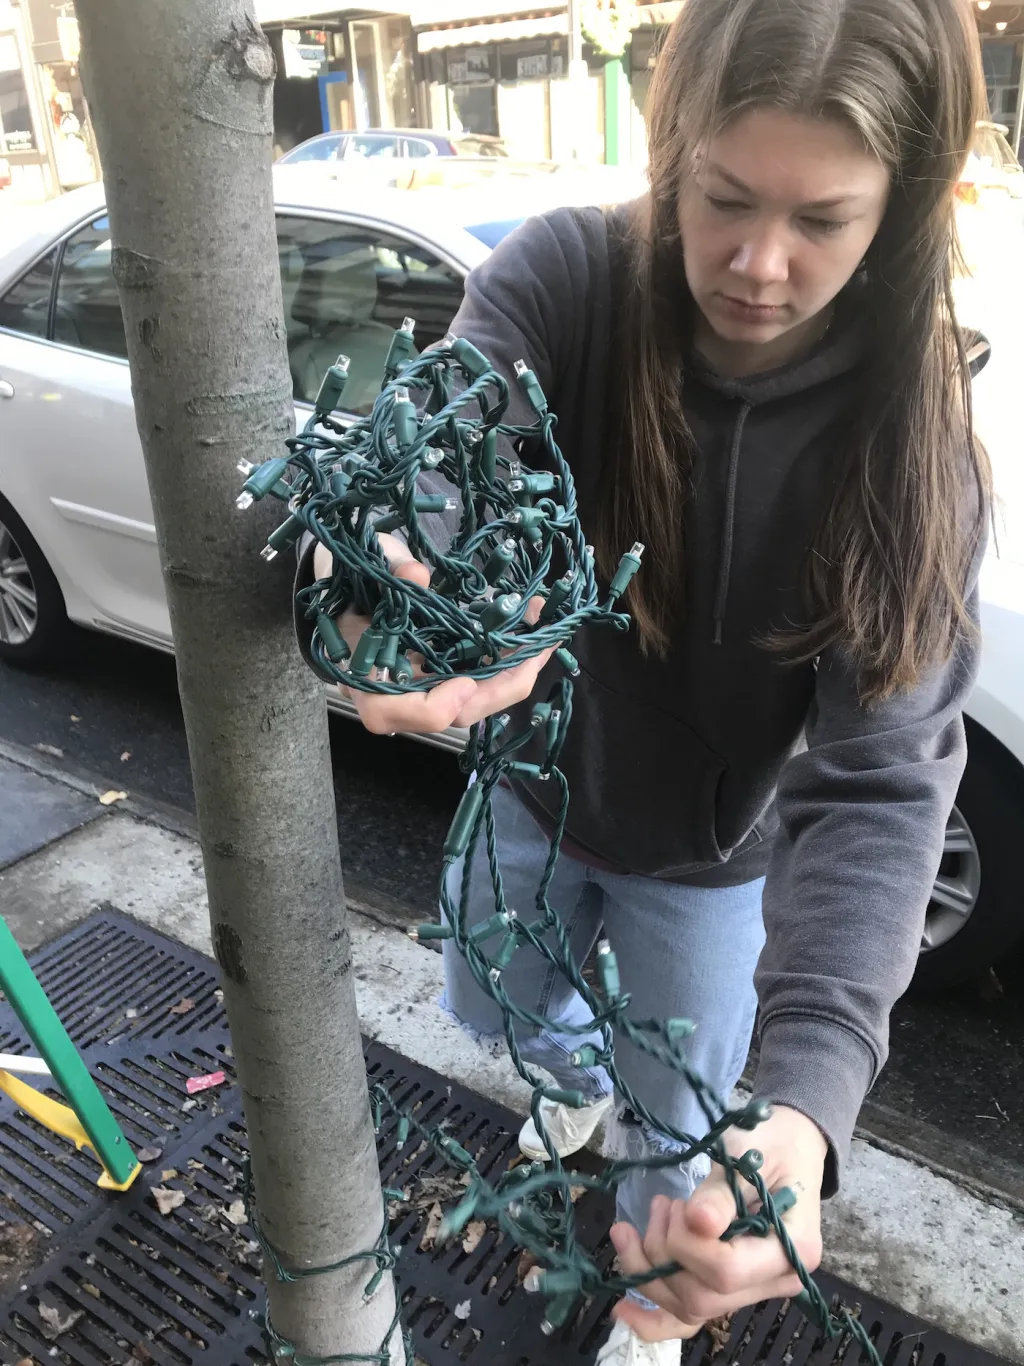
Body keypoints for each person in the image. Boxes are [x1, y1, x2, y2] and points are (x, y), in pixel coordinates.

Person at [298, 0, 990, 1361]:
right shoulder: (569, 278)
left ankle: (648, 1321)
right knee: (489, 997)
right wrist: (380, 581)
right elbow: (446, 449)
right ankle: (566, 1086)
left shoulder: (915, 452)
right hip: (532, 791)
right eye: (724, 198)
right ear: (672, 144)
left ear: (903, 208)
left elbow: (884, 786)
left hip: (713, 864)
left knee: (687, 1139)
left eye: (824, 220)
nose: (758, 263)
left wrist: (803, 1109)